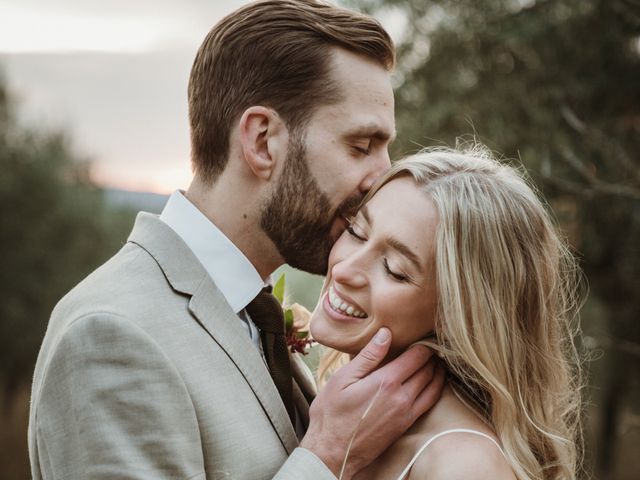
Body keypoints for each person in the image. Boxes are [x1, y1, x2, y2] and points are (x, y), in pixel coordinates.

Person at [27, 1, 445, 479]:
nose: (383, 177)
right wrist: (329, 456)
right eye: (361, 146)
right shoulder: (112, 335)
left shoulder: (253, 315)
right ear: (263, 141)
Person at [311, 146, 584, 480]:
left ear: (460, 314)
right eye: (356, 232)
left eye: (395, 269)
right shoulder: (346, 413)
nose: (344, 270)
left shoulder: (465, 466)